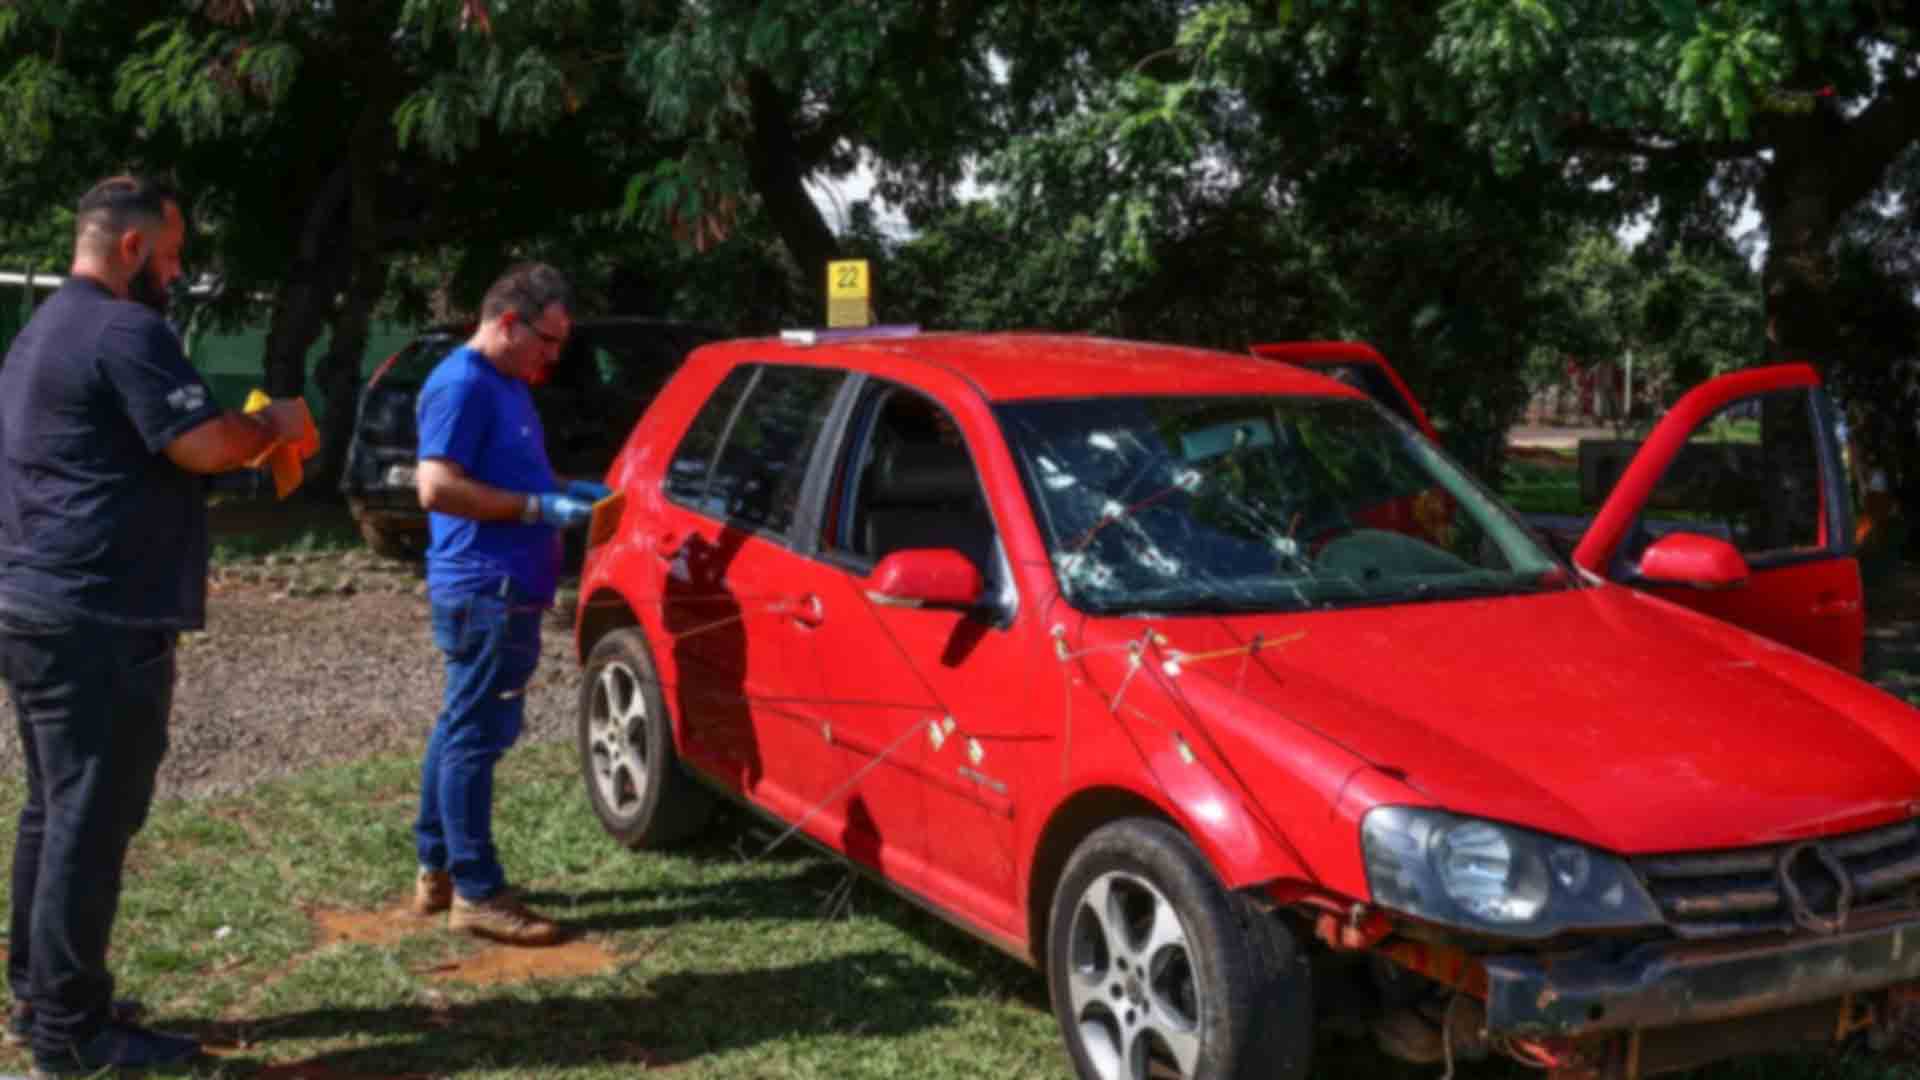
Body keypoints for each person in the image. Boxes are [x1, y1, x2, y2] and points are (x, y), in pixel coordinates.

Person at [0, 175, 315, 1077]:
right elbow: (203, 445)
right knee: (88, 819)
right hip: (96, 615)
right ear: (132, 248)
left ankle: (41, 997)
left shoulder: (39, 333)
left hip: (36, 606)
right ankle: (70, 1034)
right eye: (172, 256)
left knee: (54, 810)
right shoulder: (123, 329)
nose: (176, 276)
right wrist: (275, 425)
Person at [409, 262, 603, 946]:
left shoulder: (507, 383)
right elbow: (435, 488)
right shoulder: (462, 385)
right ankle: (478, 891)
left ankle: (437, 866)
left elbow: (516, 475)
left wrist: (570, 489)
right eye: (546, 341)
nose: (553, 356)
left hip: (506, 589)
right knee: (476, 735)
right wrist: (534, 508)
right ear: (509, 322)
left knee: (461, 723)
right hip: (486, 589)